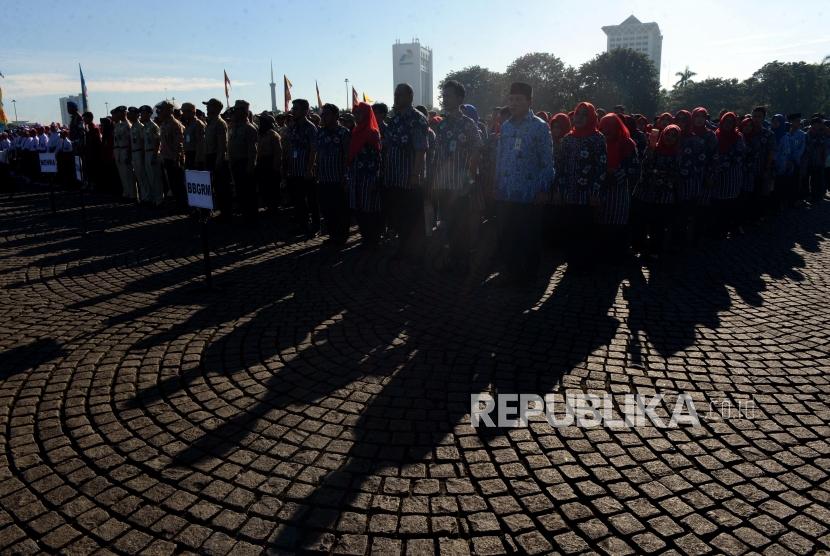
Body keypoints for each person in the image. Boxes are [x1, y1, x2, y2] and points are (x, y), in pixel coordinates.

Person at [493, 82, 554, 283]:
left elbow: (547, 161)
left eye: (519, 99)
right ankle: (508, 272)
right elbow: (501, 157)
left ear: (529, 101)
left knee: (528, 236)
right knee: (507, 235)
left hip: (530, 194)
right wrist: (497, 184)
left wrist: (544, 189)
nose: (514, 103)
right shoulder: (507, 126)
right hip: (507, 192)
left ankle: (527, 277)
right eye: (511, 99)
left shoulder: (540, 126)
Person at [430, 80, 483, 271]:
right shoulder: (442, 125)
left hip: (461, 186)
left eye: (449, 95)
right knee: (447, 223)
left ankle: (462, 261)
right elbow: (438, 155)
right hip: (444, 184)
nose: (445, 99)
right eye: (444, 95)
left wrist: (469, 179)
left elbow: (477, 151)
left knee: (462, 225)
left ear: (460, 99)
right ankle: (451, 258)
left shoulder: (468, 124)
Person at [382, 83, 429, 260]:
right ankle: (403, 248)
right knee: (398, 216)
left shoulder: (417, 119)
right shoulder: (394, 120)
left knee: (413, 217)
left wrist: (415, 175)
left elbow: (420, 149)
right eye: (395, 94)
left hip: (410, 179)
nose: (396, 98)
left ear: (410, 96)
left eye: (400, 95)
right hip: (394, 178)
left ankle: (417, 252)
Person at [557, 101, 606, 266]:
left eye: (584, 114)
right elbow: (561, 165)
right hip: (569, 193)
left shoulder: (597, 138)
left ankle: (585, 263)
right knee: (570, 228)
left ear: (591, 117)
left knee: (585, 228)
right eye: (577, 113)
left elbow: (601, 166)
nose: (579, 118)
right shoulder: (568, 139)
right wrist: (560, 189)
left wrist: (596, 192)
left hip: (587, 195)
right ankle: (572, 262)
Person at [633, 124, 681, 257]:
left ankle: (655, 250)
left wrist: (656, 173)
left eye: (673, 136)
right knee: (642, 221)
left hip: (663, 194)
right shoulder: (653, 148)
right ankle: (640, 247)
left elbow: (674, 173)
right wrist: (650, 152)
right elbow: (644, 167)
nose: (669, 138)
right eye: (667, 134)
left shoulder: (677, 153)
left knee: (658, 224)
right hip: (646, 192)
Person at [597, 113, 638, 259]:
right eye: (603, 127)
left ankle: (616, 253)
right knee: (601, 222)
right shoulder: (598, 142)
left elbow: (633, 167)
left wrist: (615, 174)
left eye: (610, 127)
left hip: (619, 190)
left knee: (617, 223)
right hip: (600, 187)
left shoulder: (628, 144)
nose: (606, 131)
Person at [315, 103, 351, 245]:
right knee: (327, 209)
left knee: (340, 209)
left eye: (327, 114)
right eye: (323, 114)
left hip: (338, 179)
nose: (323, 116)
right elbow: (318, 153)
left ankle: (341, 236)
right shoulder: (321, 132)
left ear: (336, 116)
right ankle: (332, 235)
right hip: (324, 179)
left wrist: (346, 176)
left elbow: (348, 156)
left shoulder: (343, 133)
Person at [348, 102, 383, 247]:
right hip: (356, 177)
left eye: (359, 113)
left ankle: (373, 239)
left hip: (369, 178)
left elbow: (377, 158)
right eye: (355, 113)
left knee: (370, 210)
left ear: (367, 114)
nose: (356, 116)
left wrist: (375, 179)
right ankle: (365, 237)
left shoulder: (372, 132)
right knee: (359, 209)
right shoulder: (356, 131)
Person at [283, 98, 319, 234]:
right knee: (298, 200)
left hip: (306, 170)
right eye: (293, 108)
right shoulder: (293, 127)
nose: (293, 111)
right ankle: (302, 224)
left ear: (305, 111)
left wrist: (309, 169)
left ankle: (315, 226)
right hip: (294, 169)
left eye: (296, 108)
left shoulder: (310, 128)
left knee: (311, 199)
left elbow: (313, 149)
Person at [711, 112, 746, 236]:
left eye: (731, 122)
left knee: (730, 203)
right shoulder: (716, 135)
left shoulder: (738, 137)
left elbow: (739, 155)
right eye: (726, 121)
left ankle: (727, 227)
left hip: (732, 174)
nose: (728, 124)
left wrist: (723, 164)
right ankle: (718, 228)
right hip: (718, 175)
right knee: (718, 203)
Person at [228, 99, 258, 220]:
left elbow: (253, 150)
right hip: (235, 163)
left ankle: (251, 217)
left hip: (245, 163)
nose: (234, 113)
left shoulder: (249, 128)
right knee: (240, 191)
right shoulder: (234, 127)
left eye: (238, 110)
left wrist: (250, 166)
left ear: (244, 112)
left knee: (248, 192)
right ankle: (244, 214)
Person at [202, 98, 231, 221]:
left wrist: (218, 161)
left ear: (216, 108)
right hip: (209, 157)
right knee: (215, 187)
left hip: (217, 157)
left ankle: (226, 213)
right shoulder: (210, 123)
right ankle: (220, 210)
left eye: (209, 106)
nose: (207, 108)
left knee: (221, 187)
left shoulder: (220, 123)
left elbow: (222, 145)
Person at [158, 100, 186, 211]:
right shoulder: (164, 124)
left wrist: (176, 159)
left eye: (163, 109)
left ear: (169, 110)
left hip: (175, 159)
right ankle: (178, 203)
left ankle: (183, 205)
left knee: (179, 183)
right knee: (172, 184)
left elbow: (179, 144)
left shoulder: (175, 124)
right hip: (167, 157)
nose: (160, 111)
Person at [256, 114, 283, 215]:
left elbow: (278, 152)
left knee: (273, 187)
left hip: (270, 163)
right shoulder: (260, 134)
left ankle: (274, 208)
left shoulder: (273, 135)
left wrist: (276, 167)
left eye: (262, 121)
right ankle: (268, 206)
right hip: (262, 163)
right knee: (264, 186)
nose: (259, 123)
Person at [140, 105, 165, 207]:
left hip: (152, 153)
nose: (142, 115)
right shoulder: (145, 126)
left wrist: (154, 155)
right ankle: (154, 199)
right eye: (141, 113)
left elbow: (157, 141)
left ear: (149, 114)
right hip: (146, 152)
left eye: (144, 113)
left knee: (155, 178)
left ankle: (159, 200)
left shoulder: (153, 126)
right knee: (150, 178)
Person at [111, 106, 137, 201]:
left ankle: (133, 194)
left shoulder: (127, 125)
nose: (117, 115)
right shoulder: (118, 125)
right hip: (119, 150)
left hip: (125, 149)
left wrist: (129, 154)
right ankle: (127, 192)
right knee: (123, 174)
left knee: (129, 174)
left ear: (123, 113)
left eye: (119, 113)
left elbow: (131, 141)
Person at [784, 113, 807, 204]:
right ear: (791, 122)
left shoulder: (802, 135)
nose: (798, 123)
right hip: (785, 162)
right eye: (796, 121)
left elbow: (801, 149)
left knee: (795, 182)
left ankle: (794, 200)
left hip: (795, 162)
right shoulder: (786, 133)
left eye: (799, 121)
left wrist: (793, 159)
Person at [127, 107, 148, 204]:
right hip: (134, 152)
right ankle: (143, 196)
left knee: (143, 176)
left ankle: (146, 197)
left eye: (131, 114)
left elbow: (143, 141)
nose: (129, 116)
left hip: (139, 152)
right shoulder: (133, 126)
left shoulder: (140, 127)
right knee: (138, 176)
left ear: (136, 115)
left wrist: (143, 155)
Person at [805, 116, 827, 203]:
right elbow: (807, 146)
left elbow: (824, 146)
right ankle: (811, 195)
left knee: (818, 178)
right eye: (817, 124)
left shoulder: (821, 133)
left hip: (819, 160)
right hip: (809, 160)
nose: (818, 126)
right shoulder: (808, 134)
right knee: (810, 179)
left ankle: (818, 195)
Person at [181, 102, 206, 171]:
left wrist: (197, 160)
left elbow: (200, 143)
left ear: (191, 112)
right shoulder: (188, 124)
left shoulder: (198, 124)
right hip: (188, 155)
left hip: (195, 156)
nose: (183, 114)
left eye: (184, 111)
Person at [83, 112, 103, 191]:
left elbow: (97, 143)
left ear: (90, 118)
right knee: (90, 170)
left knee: (94, 171)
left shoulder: (94, 129)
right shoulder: (88, 128)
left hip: (94, 154)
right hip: (89, 154)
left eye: (85, 118)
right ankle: (91, 184)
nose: (84, 120)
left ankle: (95, 185)